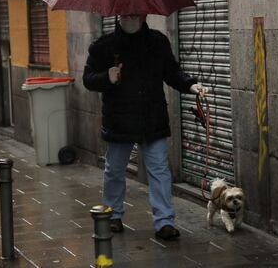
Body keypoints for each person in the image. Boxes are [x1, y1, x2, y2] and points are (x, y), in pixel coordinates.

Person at [83, 15, 206, 240]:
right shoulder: (104, 46)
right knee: (115, 169)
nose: (131, 18)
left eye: (136, 13)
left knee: (159, 170)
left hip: (152, 117)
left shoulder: (157, 42)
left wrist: (190, 84)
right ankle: (112, 215)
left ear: (144, 15)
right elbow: (88, 79)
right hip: (119, 118)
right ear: (118, 14)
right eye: (127, 13)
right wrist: (107, 77)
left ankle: (165, 222)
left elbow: (171, 72)